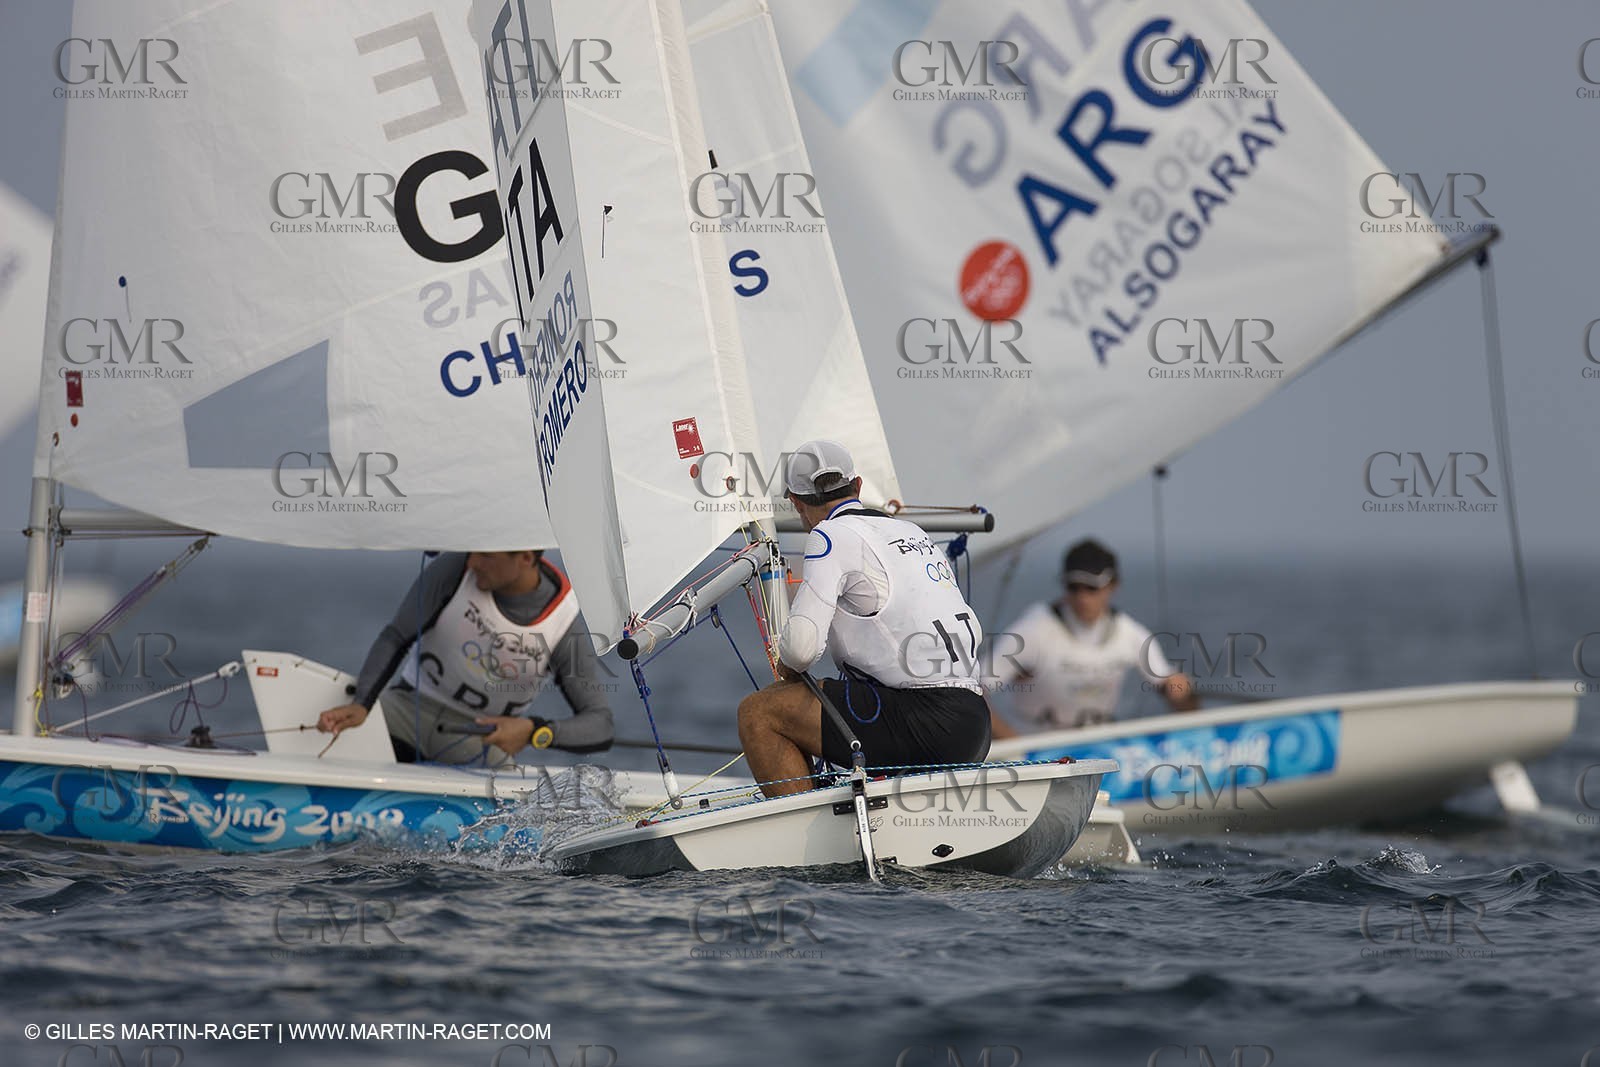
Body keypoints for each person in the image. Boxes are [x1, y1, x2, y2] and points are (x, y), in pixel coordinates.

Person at [736, 440, 991, 797]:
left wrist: (789, 671)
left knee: (760, 713)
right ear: (857, 487)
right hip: (974, 722)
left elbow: (801, 649)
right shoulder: (912, 532)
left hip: (922, 719)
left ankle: (805, 842)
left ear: (795, 503)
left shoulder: (830, 535)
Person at [317, 550, 613, 765]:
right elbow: (396, 636)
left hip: (477, 739)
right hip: (405, 713)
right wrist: (362, 703)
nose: (472, 563)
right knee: (324, 728)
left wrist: (535, 730)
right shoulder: (455, 570)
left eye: (485, 556)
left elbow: (600, 724)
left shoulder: (563, 624)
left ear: (524, 557)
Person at [986, 538, 1196, 738]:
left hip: (1099, 752)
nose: (1082, 597)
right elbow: (975, 692)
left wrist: (1179, 691)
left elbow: (1171, 686)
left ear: (1113, 585)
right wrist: (1012, 742)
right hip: (1037, 756)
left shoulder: (1129, 633)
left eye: (1091, 587)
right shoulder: (1032, 630)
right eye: (1073, 587)